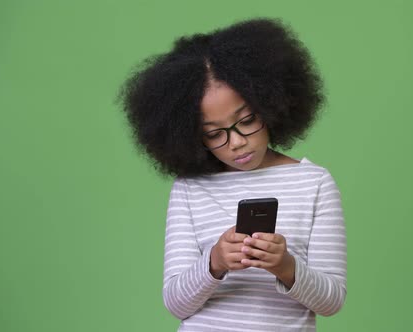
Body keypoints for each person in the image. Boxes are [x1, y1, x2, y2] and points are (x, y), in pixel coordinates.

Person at [118, 17, 346, 331]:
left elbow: (331, 302)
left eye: (247, 120)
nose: (236, 142)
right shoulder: (189, 189)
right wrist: (215, 263)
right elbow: (176, 304)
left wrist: (285, 266)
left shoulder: (314, 183)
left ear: (271, 104)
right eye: (214, 134)